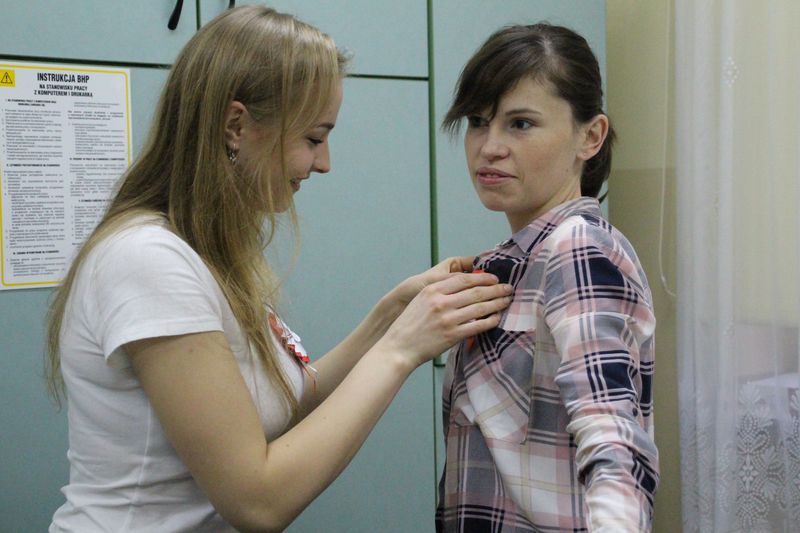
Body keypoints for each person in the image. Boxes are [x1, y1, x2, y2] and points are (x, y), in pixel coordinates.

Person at [45, 6, 512, 532]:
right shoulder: (148, 261)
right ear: (236, 126)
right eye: (313, 138)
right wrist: (400, 350)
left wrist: (388, 318)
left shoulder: (203, 253)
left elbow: (282, 406)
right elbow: (258, 502)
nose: (324, 163)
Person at [436, 23, 659, 532]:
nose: (489, 147)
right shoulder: (511, 260)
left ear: (590, 136)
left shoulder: (578, 247)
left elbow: (612, 436)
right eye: (478, 122)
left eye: (520, 123)